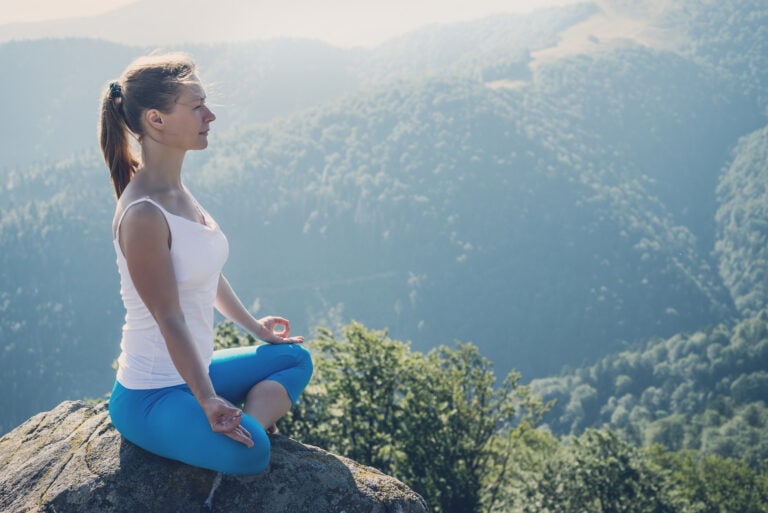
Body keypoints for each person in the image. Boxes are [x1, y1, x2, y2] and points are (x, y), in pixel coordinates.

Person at [98, 52, 313, 476]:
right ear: (156, 120)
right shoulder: (143, 213)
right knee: (252, 455)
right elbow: (168, 316)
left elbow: (206, 272)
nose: (210, 115)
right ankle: (237, 425)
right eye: (196, 106)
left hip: (197, 369)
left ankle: (240, 423)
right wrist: (208, 398)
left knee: (293, 358)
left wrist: (257, 329)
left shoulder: (176, 189)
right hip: (151, 395)